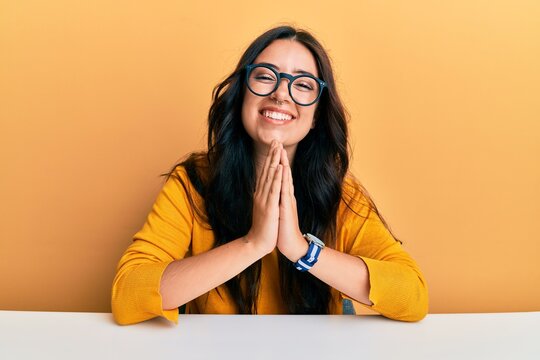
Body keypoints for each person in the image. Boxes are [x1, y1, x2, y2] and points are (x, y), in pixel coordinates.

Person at [111, 25, 429, 325]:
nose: (281, 94)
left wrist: (301, 250)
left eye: (302, 84)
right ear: (241, 98)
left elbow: (412, 296)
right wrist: (253, 244)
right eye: (266, 77)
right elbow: (127, 295)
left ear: (317, 115)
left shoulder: (341, 194)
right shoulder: (192, 183)